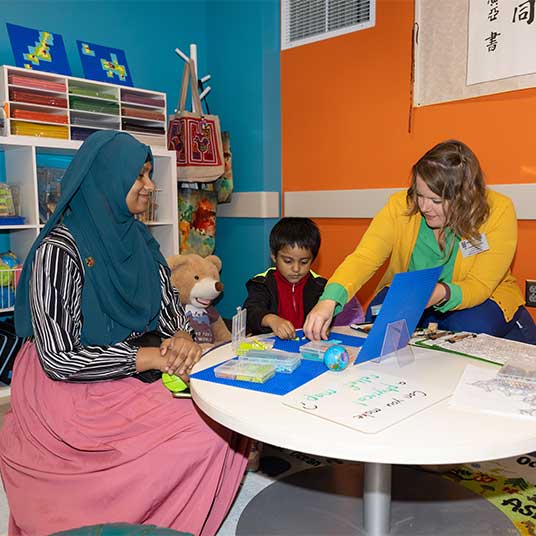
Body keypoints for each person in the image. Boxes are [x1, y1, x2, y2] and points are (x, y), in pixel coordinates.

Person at [0, 131, 249, 535]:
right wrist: (143, 358)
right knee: (191, 437)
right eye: (140, 176)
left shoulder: (139, 240)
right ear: (108, 179)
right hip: (66, 384)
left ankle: (167, 522)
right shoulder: (59, 251)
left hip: (131, 365)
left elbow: (169, 311)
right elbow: (59, 359)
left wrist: (183, 337)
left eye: (150, 174)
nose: (150, 186)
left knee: (224, 423)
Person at [304, 139, 536, 344]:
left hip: (478, 299)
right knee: (376, 321)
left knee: (471, 326)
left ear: (464, 198)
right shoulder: (400, 207)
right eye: (419, 195)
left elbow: (479, 285)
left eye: (435, 200)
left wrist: (439, 292)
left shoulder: (497, 211)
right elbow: (364, 258)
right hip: (414, 293)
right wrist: (329, 300)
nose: (424, 208)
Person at [244, 217, 362, 340]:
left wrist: (324, 327)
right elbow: (251, 311)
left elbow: (329, 315)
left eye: (304, 262)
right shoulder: (262, 283)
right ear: (274, 256)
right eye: (288, 261)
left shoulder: (321, 286)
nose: (296, 268)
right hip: (269, 347)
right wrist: (271, 320)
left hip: (306, 345)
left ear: (313, 259)